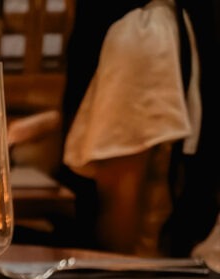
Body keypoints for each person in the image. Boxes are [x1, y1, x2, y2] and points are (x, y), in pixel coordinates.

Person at [58, 0, 220, 258]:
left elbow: (120, 216)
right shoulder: (174, 16)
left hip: (143, 267)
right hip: (176, 261)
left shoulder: (143, 33)